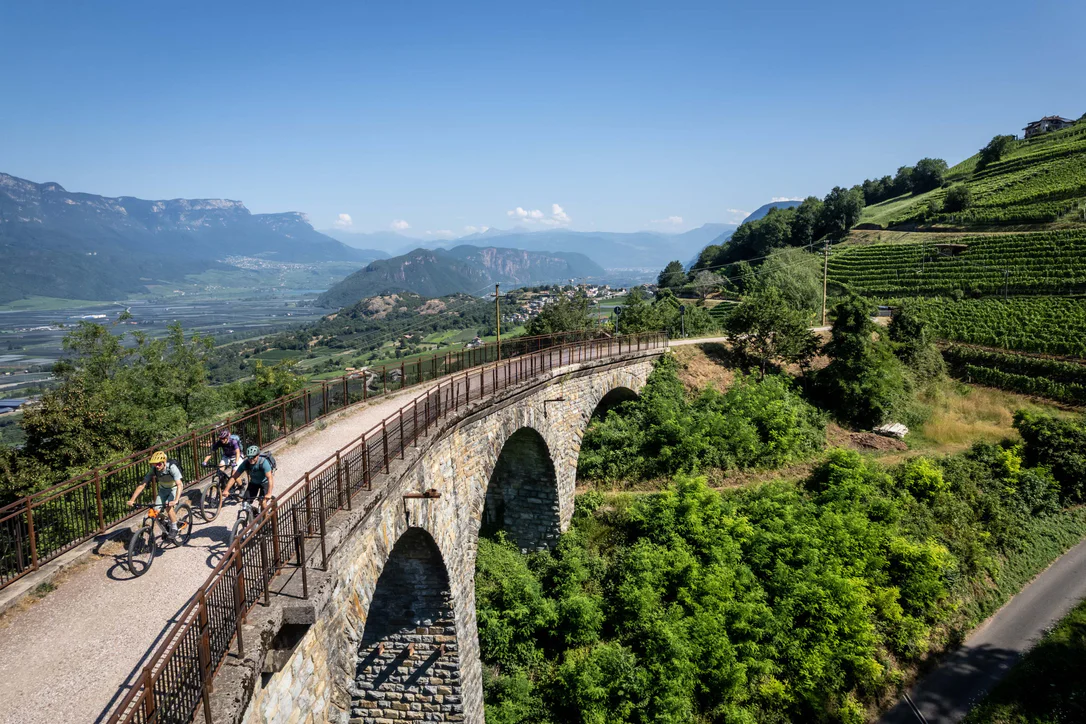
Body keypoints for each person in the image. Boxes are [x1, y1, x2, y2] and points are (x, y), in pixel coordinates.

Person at [128, 450, 183, 539]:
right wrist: (132, 500)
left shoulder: (172, 467)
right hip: (163, 490)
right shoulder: (153, 469)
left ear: (164, 462)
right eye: (154, 464)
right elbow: (142, 485)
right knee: (154, 512)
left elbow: (179, 484)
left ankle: (174, 528)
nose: (156, 466)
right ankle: (165, 522)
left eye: (159, 464)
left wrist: (176, 500)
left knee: (168, 507)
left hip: (174, 488)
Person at [226, 445, 275, 512]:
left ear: (258, 455)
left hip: (265, 482)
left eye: (253, 457)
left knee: (262, 502)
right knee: (245, 503)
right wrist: (226, 490)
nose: (251, 459)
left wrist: (269, 493)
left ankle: (266, 520)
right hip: (254, 483)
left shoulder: (263, 462)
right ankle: (251, 516)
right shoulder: (246, 463)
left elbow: (270, 478)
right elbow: (234, 476)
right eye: (249, 457)